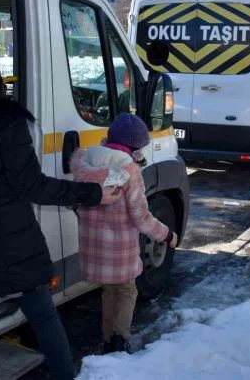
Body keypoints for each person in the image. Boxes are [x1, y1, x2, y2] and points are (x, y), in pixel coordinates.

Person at [0, 35, 117, 380]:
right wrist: (94, 194)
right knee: (44, 320)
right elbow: (33, 185)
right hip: (11, 244)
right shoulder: (4, 120)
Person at [70, 113, 178, 354]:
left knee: (109, 290)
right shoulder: (129, 173)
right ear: (133, 146)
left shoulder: (86, 164)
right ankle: (120, 339)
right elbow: (142, 218)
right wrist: (167, 235)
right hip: (120, 250)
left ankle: (108, 339)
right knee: (128, 290)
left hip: (94, 246)